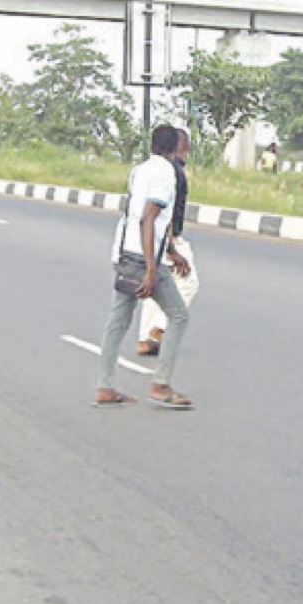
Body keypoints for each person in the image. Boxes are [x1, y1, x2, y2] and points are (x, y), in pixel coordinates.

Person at [93, 125, 193, 410]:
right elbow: (148, 220)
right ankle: (160, 385)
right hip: (143, 258)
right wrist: (151, 269)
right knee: (178, 316)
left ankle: (105, 386)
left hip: (124, 252)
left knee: (118, 321)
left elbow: (141, 217)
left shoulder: (140, 170)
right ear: (174, 149)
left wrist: (172, 252)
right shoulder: (165, 174)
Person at [137, 129, 199, 357]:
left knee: (155, 286)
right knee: (188, 281)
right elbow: (166, 212)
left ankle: (145, 339)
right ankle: (158, 330)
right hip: (167, 238)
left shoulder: (148, 170)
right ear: (183, 148)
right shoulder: (175, 173)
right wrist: (171, 248)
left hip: (151, 238)